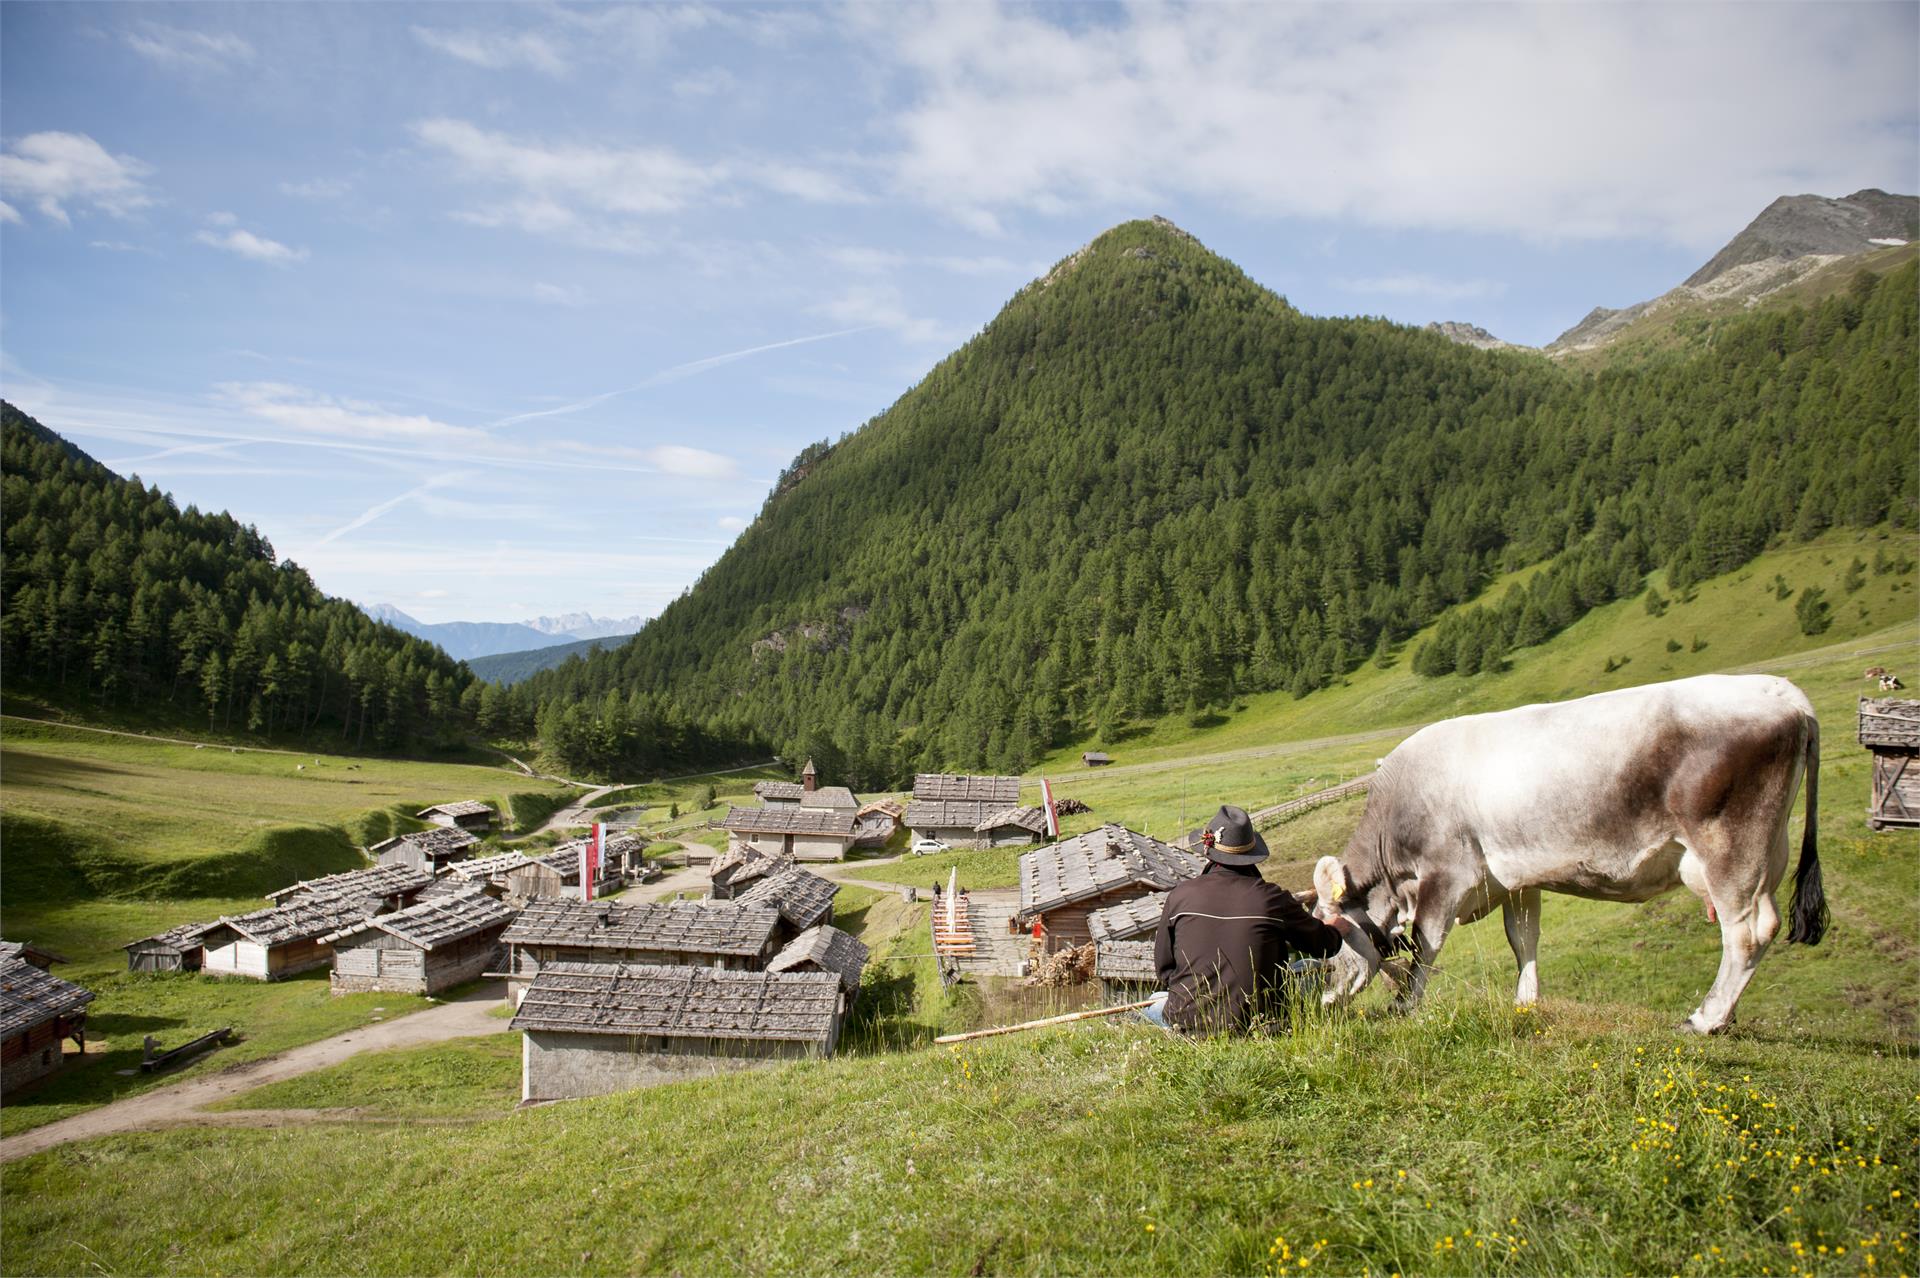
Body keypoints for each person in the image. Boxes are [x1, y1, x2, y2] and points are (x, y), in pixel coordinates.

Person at [1145, 804, 1351, 1033]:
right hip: (1260, 1024)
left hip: (1187, 1021)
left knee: (1154, 1002)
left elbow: (1164, 970)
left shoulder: (1180, 895)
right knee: (1309, 968)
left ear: (1207, 852)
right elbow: (1324, 946)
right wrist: (1335, 928)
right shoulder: (1272, 898)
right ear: (1252, 856)